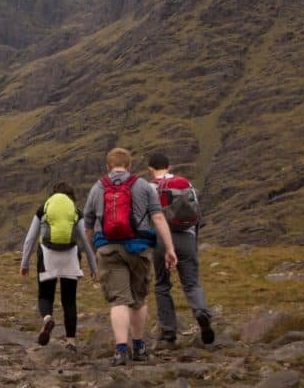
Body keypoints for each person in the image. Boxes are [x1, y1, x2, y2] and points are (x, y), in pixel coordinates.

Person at [83, 147, 178, 366]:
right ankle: (139, 346)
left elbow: (88, 226)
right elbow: (158, 218)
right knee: (138, 300)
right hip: (139, 249)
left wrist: (90, 255)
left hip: (108, 249)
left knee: (119, 300)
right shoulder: (144, 186)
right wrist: (170, 248)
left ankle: (120, 350)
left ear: (108, 167)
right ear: (129, 166)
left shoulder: (98, 187)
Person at [20, 182, 98, 348]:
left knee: (45, 295)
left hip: (47, 256)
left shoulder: (44, 209)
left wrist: (24, 263)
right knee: (69, 300)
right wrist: (93, 267)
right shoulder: (75, 211)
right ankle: (71, 341)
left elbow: (30, 239)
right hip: (70, 257)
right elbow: (86, 241)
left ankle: (47, 318)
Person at [148, 153, 215, 346]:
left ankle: (168, 332)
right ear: (169, 166)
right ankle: (201, 311)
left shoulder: (149, 187)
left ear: (151, 169)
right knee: (192, 283)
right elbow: (197, 213)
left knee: (162, 285)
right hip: (186, 236)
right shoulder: (186, 184)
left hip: (160, 239)